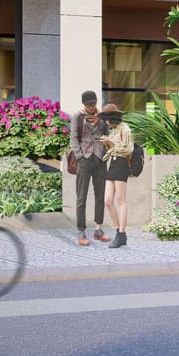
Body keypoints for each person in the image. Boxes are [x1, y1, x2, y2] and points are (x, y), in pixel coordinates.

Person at [71, 91, 109, 246]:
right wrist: (79, 156)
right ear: (84, 104)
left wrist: (105, 153)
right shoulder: (77, 117)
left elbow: (107, 136)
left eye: (93, 104)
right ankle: (81, 231)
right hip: (84, 160)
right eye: (88, 105)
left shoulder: (102, 117)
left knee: (100, 196)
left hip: (100, 160)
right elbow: (74, 138)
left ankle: (98, 229)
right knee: (81, 197)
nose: (91, 107)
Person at [101, 104, 135, 250]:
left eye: (107, 119)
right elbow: (113, 148)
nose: (106, 122)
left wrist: (111, 142)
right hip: (113, 163)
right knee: (108, 200)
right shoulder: (114, 130)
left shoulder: (124, 128)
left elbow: (128, 149)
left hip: (121, 163)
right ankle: (118, 231)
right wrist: (107, 143)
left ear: (113, 118)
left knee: (121, 200)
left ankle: (121, 234)